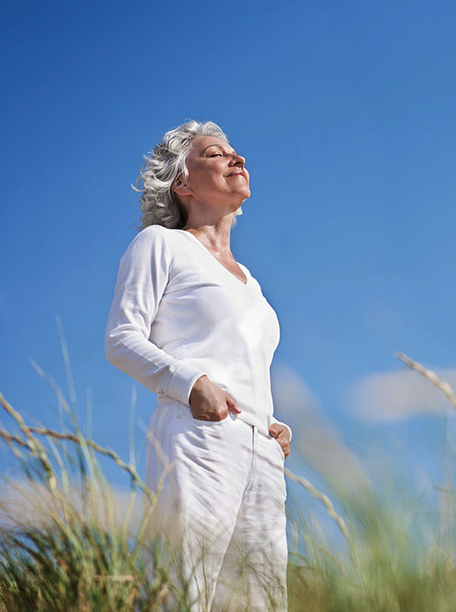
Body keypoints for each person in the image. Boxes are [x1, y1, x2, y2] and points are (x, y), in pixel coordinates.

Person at [105, 120, 291, 611]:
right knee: (185, 591)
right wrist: (190, 383)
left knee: (260, 601)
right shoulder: (161, 245)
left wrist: (268, 422)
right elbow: (122, 339)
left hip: (261, 456)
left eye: (235, 152)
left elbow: (237, 356)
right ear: (182, 184)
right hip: (198, 435)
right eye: (215, 154)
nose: (237, 159)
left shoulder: (250, 282)